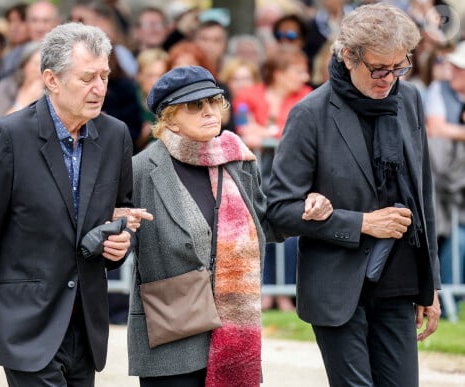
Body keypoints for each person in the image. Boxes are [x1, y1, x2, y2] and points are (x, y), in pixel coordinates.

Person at [0, 23, 137, 386]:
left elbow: (120, 215)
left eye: (104, 76)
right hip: (25, 323)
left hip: (86, 324)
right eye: (87, 77)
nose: (99, 88)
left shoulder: (115, 135)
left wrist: (120, 244)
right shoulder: (8, 137)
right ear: (51, 80)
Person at [266, 4, 441, 386]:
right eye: (379, 68)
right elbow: (278, 210)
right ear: (348, 56)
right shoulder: (309, 113)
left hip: (399, 281)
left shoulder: (408, 99)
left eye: (399, 67)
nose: (389, 79)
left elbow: (421, 194)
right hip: (337, 287)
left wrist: (432, 286)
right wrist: (362, 223)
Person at [127, 65, 332, 386]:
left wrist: (305, 210)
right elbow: (120, 238)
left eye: (214, 101)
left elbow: (265, 224)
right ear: (169, 118)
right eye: (195, 106)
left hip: (233, 327)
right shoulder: (140, 169)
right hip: (170, 327)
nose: (209, 111)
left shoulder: (237, 160)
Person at [425, 40, 465, 310]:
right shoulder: (437, 89)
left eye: (459, 67)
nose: (452, 70)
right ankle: (448, 299)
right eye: (452, 66)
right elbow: (435, 129)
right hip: (444, 186)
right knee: (451, 238)